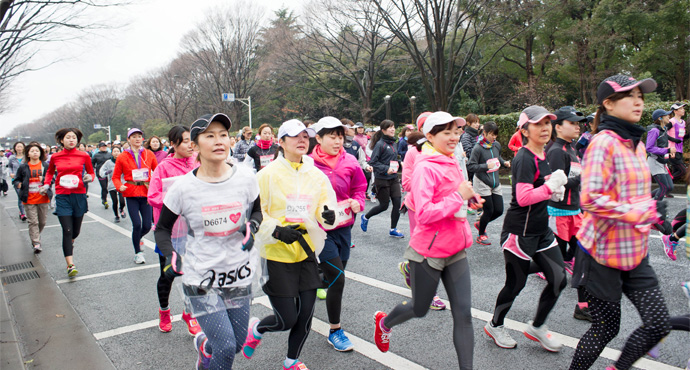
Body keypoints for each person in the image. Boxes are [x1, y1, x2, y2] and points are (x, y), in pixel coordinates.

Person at [569, 75, 672, 370]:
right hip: (602, 254)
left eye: (641, 95)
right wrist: (639, 212)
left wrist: (654, 210)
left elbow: (634, 195)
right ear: (609, 104)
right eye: (631, 96)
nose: (639, 101)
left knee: (658, 323)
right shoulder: (603, 142)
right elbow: (590, 199)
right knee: (605, 330)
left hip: (635, 252)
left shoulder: (635, 144)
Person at [154, 113, 261, 370]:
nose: (219, 141)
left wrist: (252, 226)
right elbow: (162, 229)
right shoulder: (183, 187)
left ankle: (204, 347)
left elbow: (257, 210)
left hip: (238, 272)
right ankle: (210, 350)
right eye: (209, 136)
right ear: (195, 144)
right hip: (201, 276)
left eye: (223, 135)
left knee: (234, 345)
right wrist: (171, 255)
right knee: (225, 348)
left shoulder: (245, 177)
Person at [374, 111, 478, 370]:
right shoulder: (425, 167)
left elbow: (456, 194)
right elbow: (424, 213)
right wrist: (458, 197)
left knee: (464, 314)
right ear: (429, 136)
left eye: (456, 131)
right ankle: (385, 323)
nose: (454, 137)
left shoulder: (452, 160)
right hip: (428, 253)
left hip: (456, 248)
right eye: (447, 132)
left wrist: (471, 199)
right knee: (420, 309)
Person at [242, 119, 337, 370]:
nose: (302, 140)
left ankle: (292, 360)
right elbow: (253, 213)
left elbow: (326, 207)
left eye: (306, 136)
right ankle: (258, 328)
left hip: (306, 251)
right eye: (295, 136)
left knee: (306, 314)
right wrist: (276, 230)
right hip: (276, 253)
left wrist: (328, 215)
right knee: (286, 319)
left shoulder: (315, 174)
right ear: (280, 142)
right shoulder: (265, 175)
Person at [484, 106, 568, 352]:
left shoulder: (544, 155)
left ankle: (537, 326)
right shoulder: (524, 157)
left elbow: (542, 191)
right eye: (538, 124)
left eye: (548, 123)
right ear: (525, 130)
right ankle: (495, 325)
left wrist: (555, 191)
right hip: (519, 233)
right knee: (515, 285)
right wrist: (550, 187)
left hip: (541, 231)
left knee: (559, 279)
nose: (545, 128)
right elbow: (522, 198)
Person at [309, 117, 367, 352]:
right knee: (338, 279)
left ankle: (310, 280)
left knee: (334, 274)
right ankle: (335, 330)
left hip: (344, 227)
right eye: (331, 136)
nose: (337, 140)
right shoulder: (308, 165)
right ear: (319, 138)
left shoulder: (350, 160)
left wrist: (358, 202)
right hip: (320, 231)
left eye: (340, 136)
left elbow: (360, 187)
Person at [148, 125, 202, 336]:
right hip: (170, 230)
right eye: (186, 141)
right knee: (168, 274)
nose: (190, 145)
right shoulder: (163, 167)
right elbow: (152, 196)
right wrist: (176, 201)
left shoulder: (198, 161)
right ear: (173, 144)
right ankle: (164, 311)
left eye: (192, 140)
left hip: (194, 227)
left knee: (195, 272)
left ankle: (189, 313)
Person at [398, 111, 448, 311]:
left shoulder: (446, 151)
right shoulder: (413, 152)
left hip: (441, 208)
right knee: (427, 250)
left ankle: (409, 268)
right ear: (422, 131)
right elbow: (407, 182)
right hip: (418, 208)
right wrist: (429, 183)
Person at [546, 106, 591, 321]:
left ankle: (583, 305)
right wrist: (583, 177)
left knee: (583, 257)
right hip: (558, 212)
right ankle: (520, 268)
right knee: (556, 266)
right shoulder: (555, 151)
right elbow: (555, 187)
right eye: (572, 123)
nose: (577, 127)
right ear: (558, 127)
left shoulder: (571, 148)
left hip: (574, 211)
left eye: (578, 123)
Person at [41, 128, 95, 278]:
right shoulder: (55, 157)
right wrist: (46, 184)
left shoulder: (84, 156)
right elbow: (50, 172)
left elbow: (91, 172)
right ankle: (70, 265)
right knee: (67, 230)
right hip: (62, 196)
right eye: (68, 137)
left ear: (77, 141)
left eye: (74, 137)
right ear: (61, 140)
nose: (71, 140)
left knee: (75, 231)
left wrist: (90, 178)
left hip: (79, 195)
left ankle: (70, 241)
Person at [112, 128, 158, 264]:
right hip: (131, 192)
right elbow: (115, 177)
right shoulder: (122, 156)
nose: (137, 139)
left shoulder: (149, 154)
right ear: (128, 139)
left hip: (146, 192)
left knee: (147, 225)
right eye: (134, 137)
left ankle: (138, 237)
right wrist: (119, 186)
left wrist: (158, 185)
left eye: (139, 136)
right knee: (137, 224)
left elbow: (158, 171)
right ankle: (138, 252)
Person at [467, 121, 510, 245]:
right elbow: (471, 166)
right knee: (489, 210)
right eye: (491, 134)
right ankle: (481, 234)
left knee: (499, 210)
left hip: (495, 181)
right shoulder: (478, 148)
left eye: (495, 134)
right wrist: (486, 166)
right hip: (482, 181)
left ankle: (481, 224)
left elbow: (498, 157)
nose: (494, 137)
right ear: (484, 133)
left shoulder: (496, 145)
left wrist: (504, 162)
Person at [361, 120, 404, 238]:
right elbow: (373, 162)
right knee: (384, 205)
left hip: (393, 178)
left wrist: (400, 164)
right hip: (382, 179)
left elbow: (392, 159)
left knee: (397, 203)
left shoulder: (394, 144)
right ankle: (365, 217)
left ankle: (393, 229)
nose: (392, 129)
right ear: (383, 130)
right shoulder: (380, 144)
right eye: (389, 127)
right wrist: (386, 169)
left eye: (393, 127)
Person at [13, 142, 51, 253]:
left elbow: (52, 179)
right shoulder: (23, 166)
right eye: (32, 151)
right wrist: (18, 184)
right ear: (28, 154)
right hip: (29, 198)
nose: (35, 153)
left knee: (42, 222)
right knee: (33, 222)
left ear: (40, 153)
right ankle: (36, 242)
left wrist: (43, 180)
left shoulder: (45, 165)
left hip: (43, 198)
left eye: (37, 151)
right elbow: (16, 179)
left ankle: (36, 236)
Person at [646, 108, 675, 201]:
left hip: (662, 161)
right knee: (664, 187)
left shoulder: (664, 129)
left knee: (669, 187)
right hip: (654, 161)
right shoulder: (654, 130)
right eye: (666, 115)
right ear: (660, 118)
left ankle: (644, 199)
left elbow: (662, 145)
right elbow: (649, 148)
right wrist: (667, 151)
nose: (669, 117)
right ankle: (655, 210)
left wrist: (669, 151)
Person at [99, 146, 126, 222]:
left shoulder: (123, 161)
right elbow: (102, 171)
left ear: (120, 152)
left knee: (122, 201)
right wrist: (106, 173)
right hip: (112, 184)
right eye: (114, 151)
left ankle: (121, 208)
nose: (116, 153)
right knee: (115, 202)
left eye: (118, 151)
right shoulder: (108, 162)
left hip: (121, 184)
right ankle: (116, 215)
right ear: (112, 153)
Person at [668, 103, 687, 180]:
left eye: (683, 108)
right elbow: (663, 133)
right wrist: (669, 148)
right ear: (675, 111)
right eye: (681, 109)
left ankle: (666, 189)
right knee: (683, 171)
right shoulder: (671, 121)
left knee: (676, 171)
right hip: (672, 150)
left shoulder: (683, 122)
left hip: (679, 150)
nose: (683, 110)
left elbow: (682, 137)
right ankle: (666, 182)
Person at [92, 142, 113, 209]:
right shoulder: (96, 155)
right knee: (104, 187)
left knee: (110, 187)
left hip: (110, 173)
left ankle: (112, 199)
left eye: (105, 146)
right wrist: (94, 169)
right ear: (99, 147)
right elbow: (92, 163)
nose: (104, 147)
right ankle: (104, 200)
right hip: (100, 173)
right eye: (102, 146)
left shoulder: (110, 154)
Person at [9, 141, 27, 220]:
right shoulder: (12, 158)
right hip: (16, 180)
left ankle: (25, 211)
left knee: (26, 196)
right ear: (15, 148)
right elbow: (9, 167)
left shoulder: (27, 157)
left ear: (23, 148)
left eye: (21, 146)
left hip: (26, 179)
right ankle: (22, 213)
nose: (19, 148)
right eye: (18, 147)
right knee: (20, 196)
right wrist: (11, 173)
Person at [460, 113, 480, 182]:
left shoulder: (477, 135)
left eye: (478, 122)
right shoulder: (466, 136)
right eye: (475, 123)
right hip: (470, 168)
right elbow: (468, 152)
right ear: (468, 123)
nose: (477, 125)